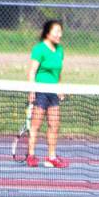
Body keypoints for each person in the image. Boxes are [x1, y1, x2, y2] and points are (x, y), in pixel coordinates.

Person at [25, 19, 69, 169]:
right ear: (48, 32)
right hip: (41, 92)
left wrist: (60, 88)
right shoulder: (39, 49)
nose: (59, 34)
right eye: (56, 31)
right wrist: (32, 91)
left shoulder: (60, 50)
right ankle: (31, 155)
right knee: (35, 125)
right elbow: (32, 72)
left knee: (54, 125)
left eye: (60, 31)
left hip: (53, 93)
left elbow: (58, 73)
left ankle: (51, 157)